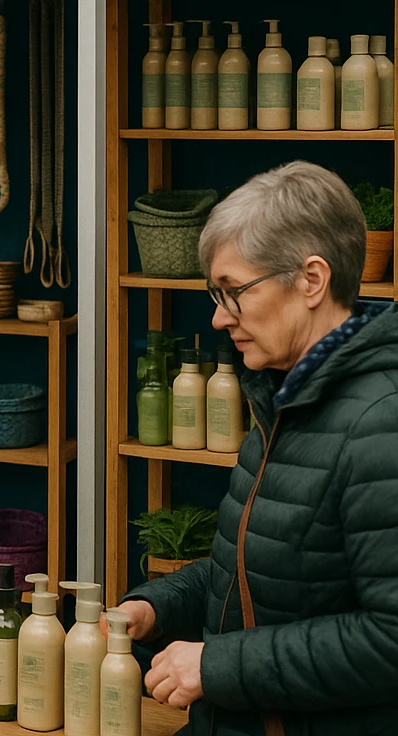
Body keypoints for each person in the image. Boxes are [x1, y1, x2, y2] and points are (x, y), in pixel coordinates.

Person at [111, 161, 398, 735]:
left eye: (234, 291)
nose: (219, 317)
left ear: (311, 280)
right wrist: (155, 606)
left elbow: (390, 640)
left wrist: (216, 666)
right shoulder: (282, 398)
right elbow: (261, 567)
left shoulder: (379, 423)